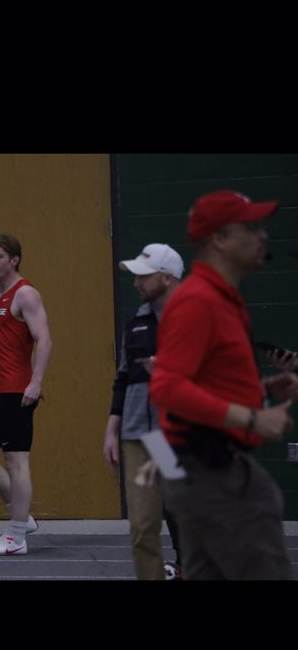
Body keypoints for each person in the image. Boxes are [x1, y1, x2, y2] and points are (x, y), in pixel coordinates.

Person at [150, 190, 297, 582]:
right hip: (214, 474)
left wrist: (262, 391)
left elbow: (201, 383)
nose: (263, 235)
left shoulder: (222, 299)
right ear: (219, 239)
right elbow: (166, 387)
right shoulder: (199, 301)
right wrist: (252, 418)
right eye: (250, 227)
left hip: (208, 470)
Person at [103, 243, 185, 581]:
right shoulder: (136, 323)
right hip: (140, 436)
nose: (136, 282)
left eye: (143, 276)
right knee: (142, 526)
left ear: (167, 278)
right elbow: (123, 378)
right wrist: (112, 430)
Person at [0, 234, 52, 556]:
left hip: (18, 391)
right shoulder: (2, 296)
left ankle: (16, 537)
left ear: (14, 260)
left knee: (17, 461)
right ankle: (23, 518)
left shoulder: (25, 293)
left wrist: (36, 382)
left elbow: (44, 340)